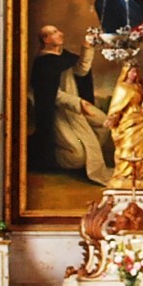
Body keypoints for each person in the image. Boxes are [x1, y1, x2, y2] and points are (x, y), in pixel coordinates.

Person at [27, 25, 109, 183]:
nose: (61, 34)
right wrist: (78, 103)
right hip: (57, 112)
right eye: (55, 33)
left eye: (58, 30)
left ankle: (88, 152)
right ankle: (52, 158)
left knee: (103, 123)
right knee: (77, 156)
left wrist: (87, 49)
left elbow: (81, 71)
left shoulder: (64, 57)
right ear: (46, 40)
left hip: (76, 108)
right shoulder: (42, 64)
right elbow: (52, 95)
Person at [104, 62, 143, 188]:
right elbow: (116, 106)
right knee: (128, 145)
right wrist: (112, 118)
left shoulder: (139, 86)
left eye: (136, 72)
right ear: (126, 72)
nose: (134, 74)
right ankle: (125, 174)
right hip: (127, 121)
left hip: (141, 119)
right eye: (131, 71)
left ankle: (140, 174)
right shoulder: (122, 87)